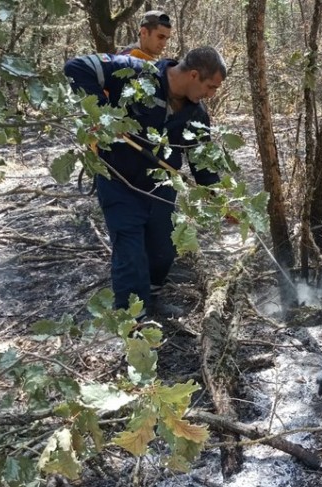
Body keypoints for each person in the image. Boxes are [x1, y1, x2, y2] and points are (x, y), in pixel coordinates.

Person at [64, 47, 226, 316]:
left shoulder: (197, 113)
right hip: (118, 180)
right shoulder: (137, 73)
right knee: (130, 252)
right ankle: (132, 319)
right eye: (210, 87)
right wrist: (103, 116)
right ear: (194, 75)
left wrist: (217, 196)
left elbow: (202, 161)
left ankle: (151, 298)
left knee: (163, 249)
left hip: (161, 187)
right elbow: (77, 67)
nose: (211, 94)